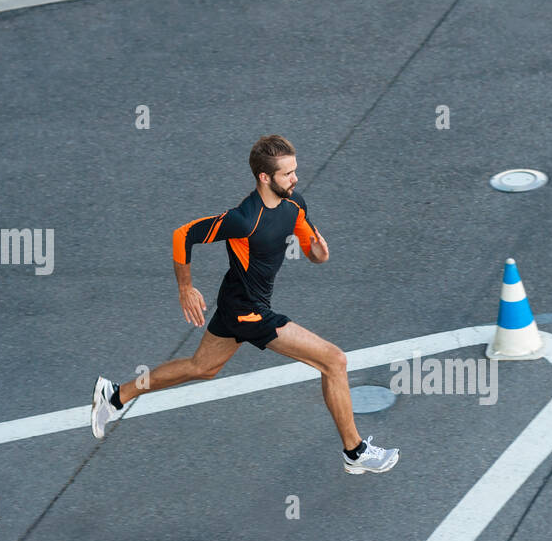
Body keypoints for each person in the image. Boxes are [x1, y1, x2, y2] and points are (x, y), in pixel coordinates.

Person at [90, 134, 399, 475]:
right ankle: (354, 452)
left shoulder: (295, 205)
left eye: (295, 170)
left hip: (238, 300)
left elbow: (311, 249)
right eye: (287, 174)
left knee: (202, 367)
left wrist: (319, 254)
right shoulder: (243, 218)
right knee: (334, 361)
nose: (295, 178)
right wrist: (186, 288)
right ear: (265, 177)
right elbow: (183, 235)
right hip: (248, 311)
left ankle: (115, 395)